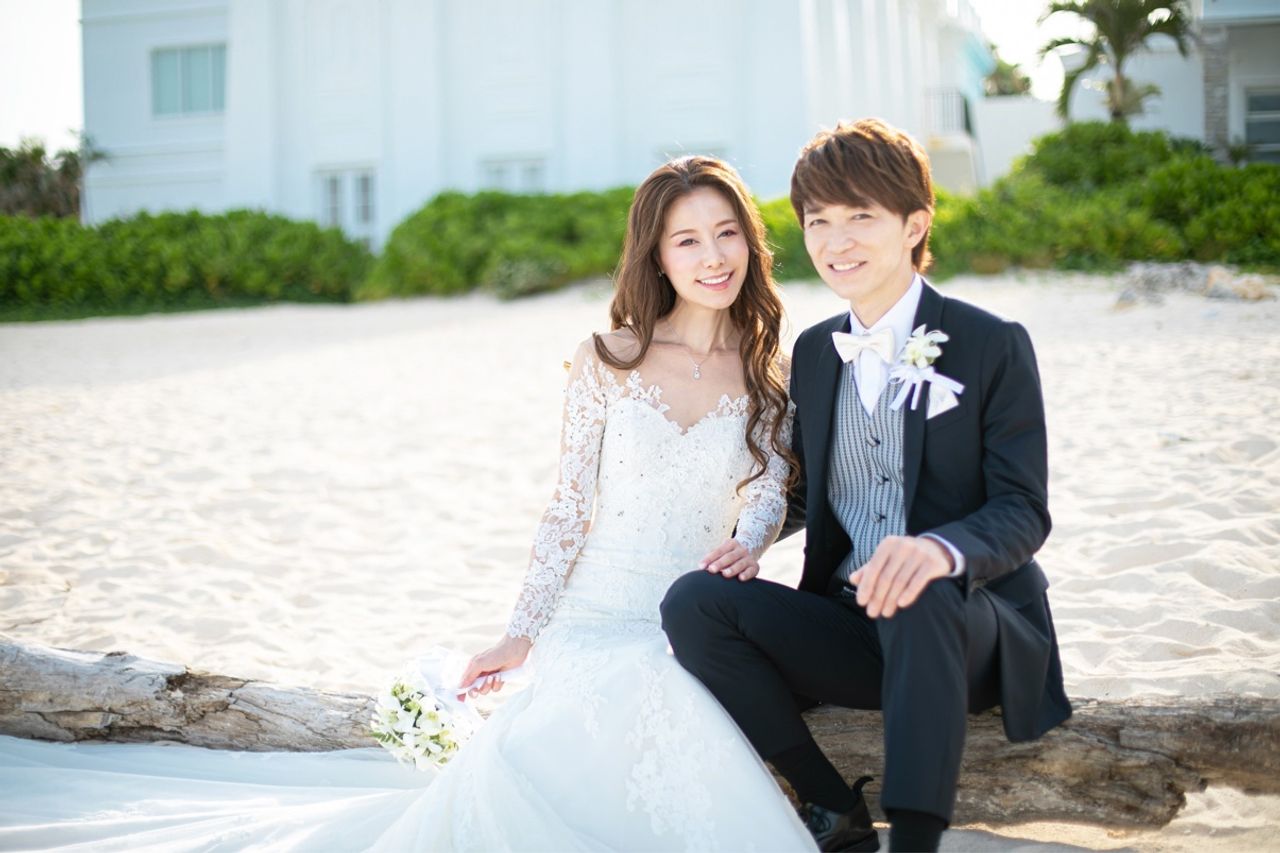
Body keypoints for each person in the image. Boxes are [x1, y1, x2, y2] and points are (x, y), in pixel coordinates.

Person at [0, 156, 817, 852]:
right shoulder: (608, 358)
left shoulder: (767, 373)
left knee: (669, 707)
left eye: (727, 233)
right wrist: (520, 633)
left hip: (690, 618)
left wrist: (748, 545)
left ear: (750, 240)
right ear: (657, 256)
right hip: (593, 612)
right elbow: (569, 508)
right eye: (687, 239)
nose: (713, 256)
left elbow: (763, 493)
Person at [661, 119, 1071, 853]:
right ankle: (828, 805)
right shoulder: (817, 353)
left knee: (919, 588)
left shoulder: (991, 342)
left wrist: (938, 551)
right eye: (818, 221)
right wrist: (747, 541)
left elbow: (1022, 509)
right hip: (852, 628)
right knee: (694, 601)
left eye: (860, 217)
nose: (836, 241)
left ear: (914, 224)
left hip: (970, 630)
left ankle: (914, 839)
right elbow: (807, 491)